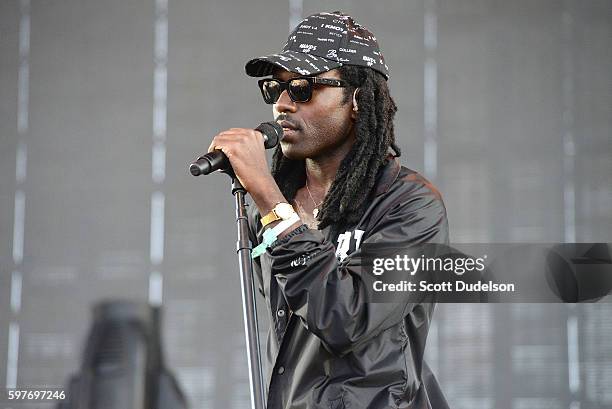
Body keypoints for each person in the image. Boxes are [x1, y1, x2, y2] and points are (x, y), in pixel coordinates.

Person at [207, 11, 450, 409]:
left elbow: (345, 319)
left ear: (357, 100)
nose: (283, 105)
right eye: (275, 89)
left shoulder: (410, 205)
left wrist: (270, 200)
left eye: (302, 89)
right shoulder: (269, 213)